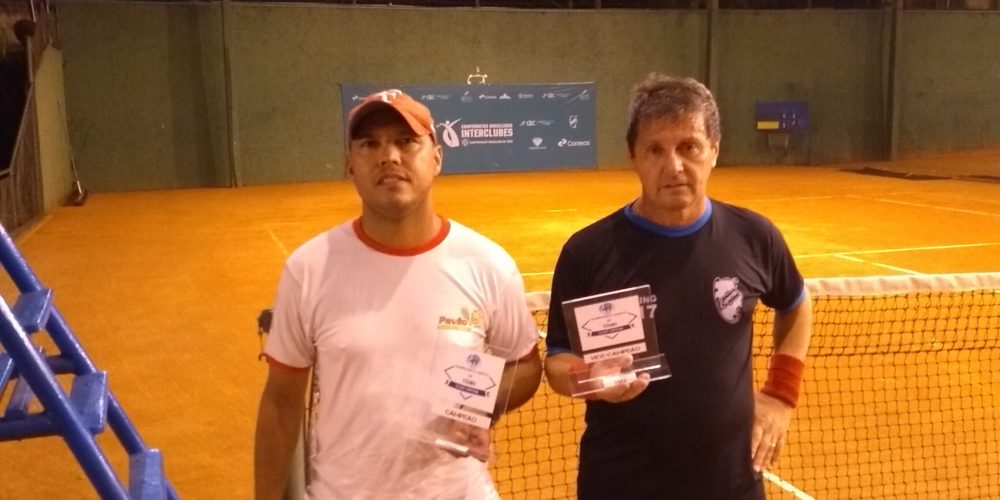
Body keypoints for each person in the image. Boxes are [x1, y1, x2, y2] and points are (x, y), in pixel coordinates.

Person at [254, 89, 543, 500]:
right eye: (369, 144)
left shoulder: (489, 264)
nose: (389, 156)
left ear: (437, 158)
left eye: (406, 141)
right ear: (350, 166)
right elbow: (280, 404)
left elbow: (525, 366)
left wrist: (482, 404)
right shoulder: (308, 269)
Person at [543, 73, 812, 499]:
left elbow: (795, 303)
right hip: (620, 484)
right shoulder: (587, 252)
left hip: (730, 484)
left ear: (714, 150)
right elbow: (557, 360)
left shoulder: (755, 237)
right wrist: (588, 377)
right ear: (633, 155)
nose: (673, 166)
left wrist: (781, 395)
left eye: (689, 146)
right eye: (655, 150)